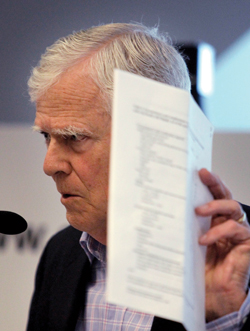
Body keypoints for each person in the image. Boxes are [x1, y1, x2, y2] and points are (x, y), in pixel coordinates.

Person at [26, 23, 250, 331]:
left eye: (74, 137)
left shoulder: (241, 257)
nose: (50, 165)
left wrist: (223, 318)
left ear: (157, 129)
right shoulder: (61, 253)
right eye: (46, 137)